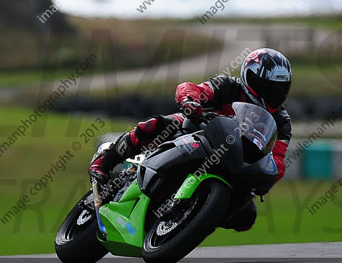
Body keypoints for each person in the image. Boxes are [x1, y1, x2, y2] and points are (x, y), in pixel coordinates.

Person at [89, 47, 293, 231]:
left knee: (247, 217)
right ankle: (107, 159)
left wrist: (270, 171)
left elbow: (279, 158)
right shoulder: (228, 86)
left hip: (236, 162)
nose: (274, 93)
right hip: (199, 133)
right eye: (267, 85)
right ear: (251, 77)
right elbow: (192, 88)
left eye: (280, 87)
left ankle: (192, 221)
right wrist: (189, 100)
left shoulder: (281, 122)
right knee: (161, 124)